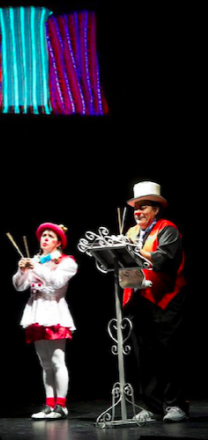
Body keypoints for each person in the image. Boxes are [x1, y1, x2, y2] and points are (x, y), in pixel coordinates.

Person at [123, 181, 188, 423]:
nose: (138, 212)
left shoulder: (167, 229)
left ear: (156, 209)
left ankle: (176, 405)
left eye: (144, 207)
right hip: (139, 300)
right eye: (136, 208)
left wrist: (133, 250)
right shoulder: (130, 233)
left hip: (166, 299)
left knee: (169, 354)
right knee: (145, 355)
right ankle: (153, 407)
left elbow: (163, 259)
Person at [12, 223, 77, 420]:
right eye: (43, 235)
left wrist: (37, 267)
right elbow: (19, 286)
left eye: (50, 236)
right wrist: (22, 270)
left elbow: (56, 282)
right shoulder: (35, 261)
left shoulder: (67, 262)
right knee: (46, 363)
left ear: (59, 243)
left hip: (55, 312)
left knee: (57, 361)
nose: (45, 238)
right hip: (36, 313)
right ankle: (49, 404)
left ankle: (61, 406)